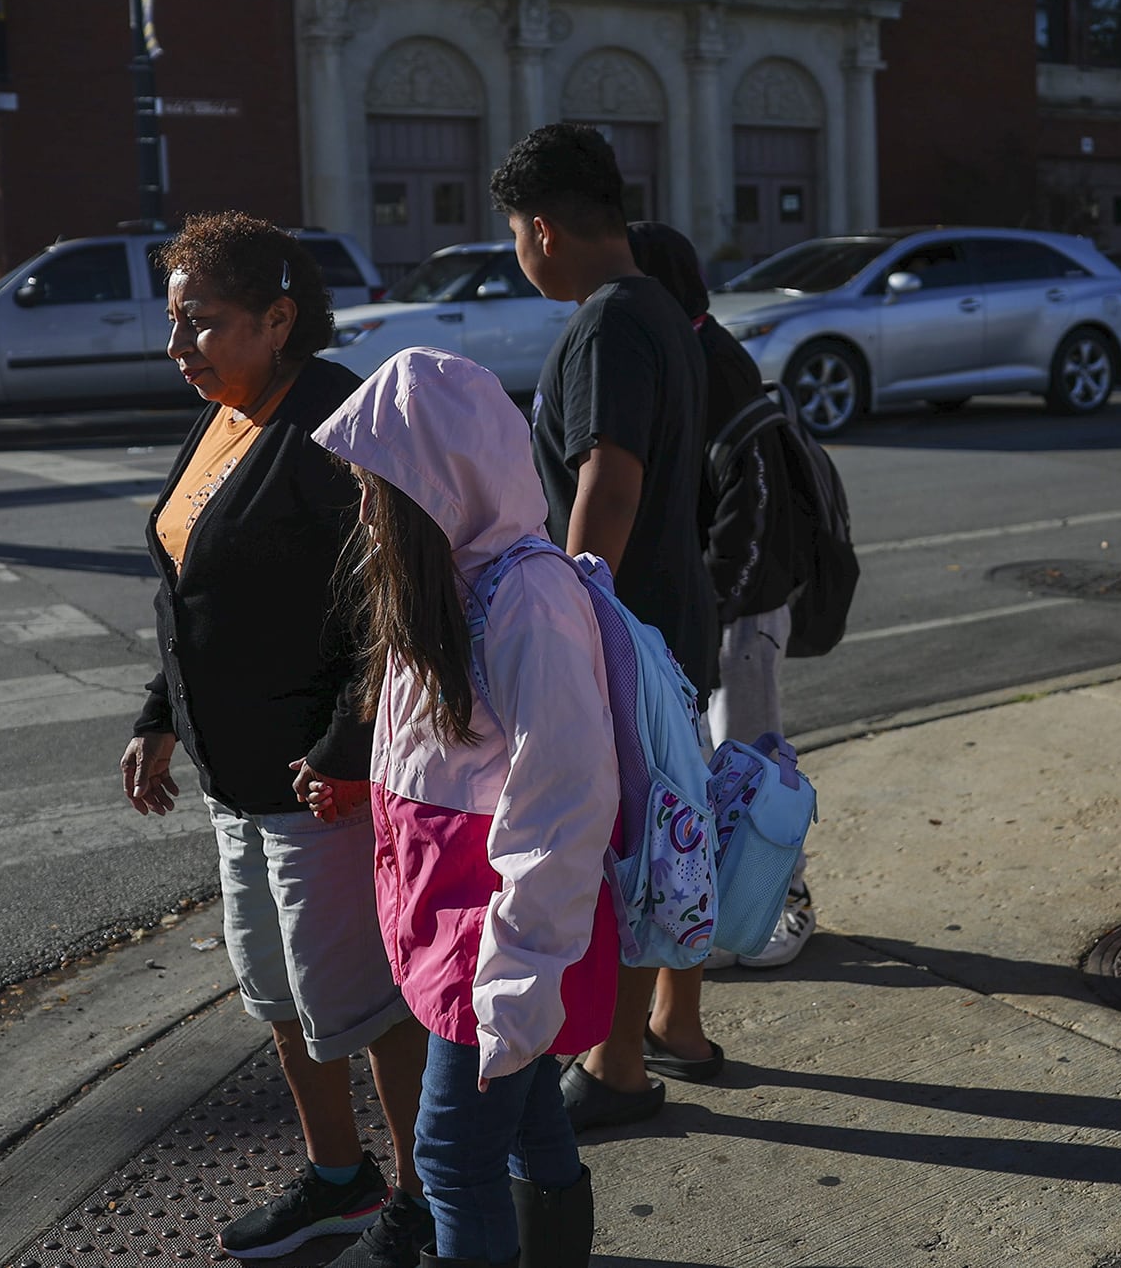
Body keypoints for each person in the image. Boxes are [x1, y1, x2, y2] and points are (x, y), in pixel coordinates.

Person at [115, 212, 434, 1266]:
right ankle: (340, 1178)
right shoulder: (225, 412)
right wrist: (161, 714)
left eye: (201, 324)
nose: (179, 348)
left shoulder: (337, 427)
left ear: (277, 318)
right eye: (175, 322)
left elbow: (395, 614)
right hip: (236, 778)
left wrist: (346, 746)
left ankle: (425, 1198)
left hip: (320, 786)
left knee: (365, 1001)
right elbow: (193, 581)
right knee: (278, 991)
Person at [313, 347, 621, 1268]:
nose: (365, 509)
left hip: (503, 933)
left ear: (436, 487)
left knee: (451, 1154)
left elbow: (567, 802)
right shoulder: (445, 581)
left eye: (380, 488)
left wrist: (518, 980)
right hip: (467, 920)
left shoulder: (525, 596)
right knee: (525, 1129)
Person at [489, 125, 721, 1131]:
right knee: (648, 847)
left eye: (512, 233)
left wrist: (576, 624)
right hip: (668, 625)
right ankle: (625, 1046)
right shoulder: (658, 308)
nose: (517, 252)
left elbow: (610, 484)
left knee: (619, 855)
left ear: (542, 227)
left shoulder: (607, 324)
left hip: (630, 635)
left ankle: (616, 1063)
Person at [629, 221, 813, 970]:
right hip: (713, 613)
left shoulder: (715, 363)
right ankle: (727, 912)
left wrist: (714, 606)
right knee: (715, 779)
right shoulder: (684, 352)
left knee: (759, 776)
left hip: (740, 612)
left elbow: (754, 505)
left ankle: (786, 907)